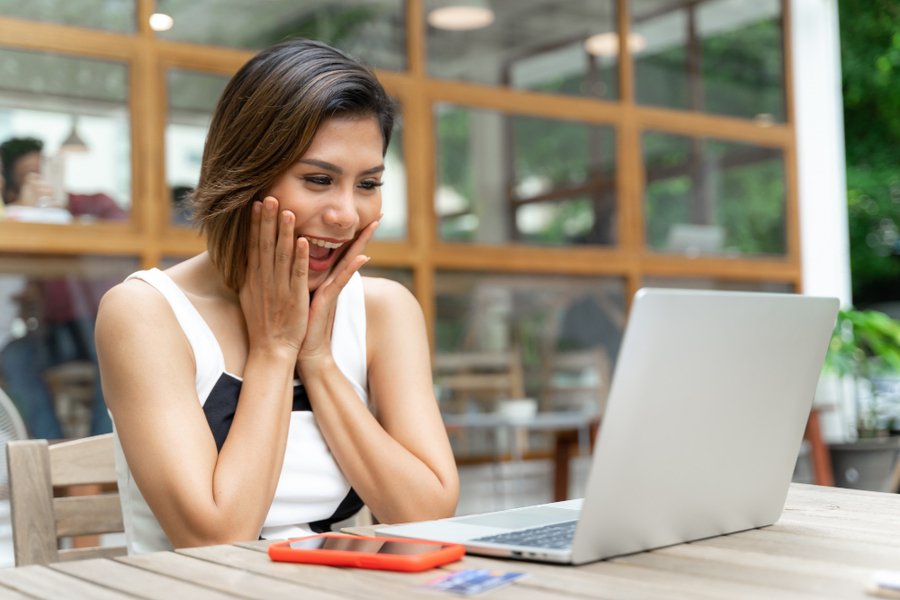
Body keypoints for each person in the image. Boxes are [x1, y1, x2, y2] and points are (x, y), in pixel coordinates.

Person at [95, 39, 459, 553]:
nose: (346, 215)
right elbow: (214, 537)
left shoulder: (384, 310)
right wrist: (274, 349)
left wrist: (317, 359)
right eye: (318, 179)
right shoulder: (146, 314)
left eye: (368, 183)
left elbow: (426, 515)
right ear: (244, 172)